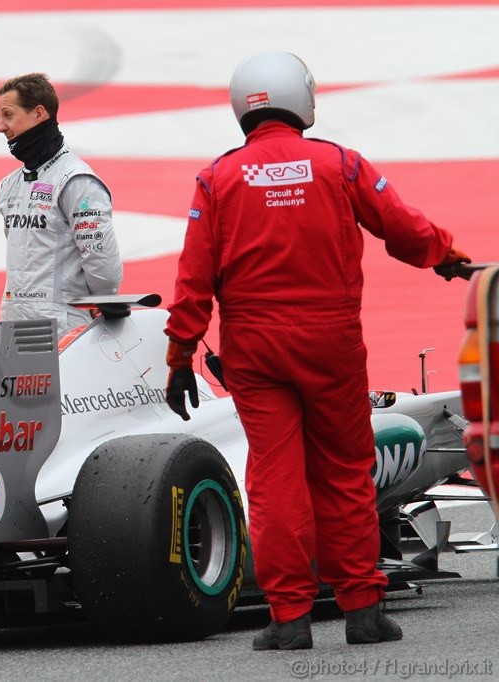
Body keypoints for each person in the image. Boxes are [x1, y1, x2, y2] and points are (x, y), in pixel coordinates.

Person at [162, 51, 469, 651]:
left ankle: (289, 619)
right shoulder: (339, 163)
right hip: (330, 343)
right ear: (300, 100)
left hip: (254, 348)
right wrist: (447, 256)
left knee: (275, 482)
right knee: (346, 474)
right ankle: (361, 610)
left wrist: (178, 359)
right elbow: (402, 227)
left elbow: (192, 281)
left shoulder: (218, 178)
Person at [0, 72, 122, 337]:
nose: (1, 127)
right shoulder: (9, 185)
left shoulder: (76, 181)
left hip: (64, 330)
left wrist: (100, 300)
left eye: (8, 115)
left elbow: (104, 268)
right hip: (14, 324)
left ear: (38, 114)